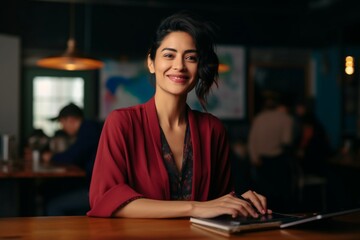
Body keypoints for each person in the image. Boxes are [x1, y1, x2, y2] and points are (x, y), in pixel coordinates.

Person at [88, 12, 271, 219]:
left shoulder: (213, 129)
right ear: (151, 62)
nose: (180, 66)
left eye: (191, 57)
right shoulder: (122, 123)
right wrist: (194, 207)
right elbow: (105, 199)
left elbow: (219, 203)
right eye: (169, 55)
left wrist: (240, 203)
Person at [42, 103, 102, 215]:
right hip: (94, 186)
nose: (62, 127)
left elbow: (72, 156)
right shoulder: (88, 128)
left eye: (62, 123)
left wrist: (52, 157)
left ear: (70, 120)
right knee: (53, 191)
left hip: (98, 191)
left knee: (53, 205)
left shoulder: (89, 130)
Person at [248, 92, 296, 211]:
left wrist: (254, 158)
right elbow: (287, 141)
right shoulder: (286, 119)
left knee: (264, 195)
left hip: (262, 161)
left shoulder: (259, 118)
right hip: (279, 160)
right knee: (281, 196)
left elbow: (252, 141)